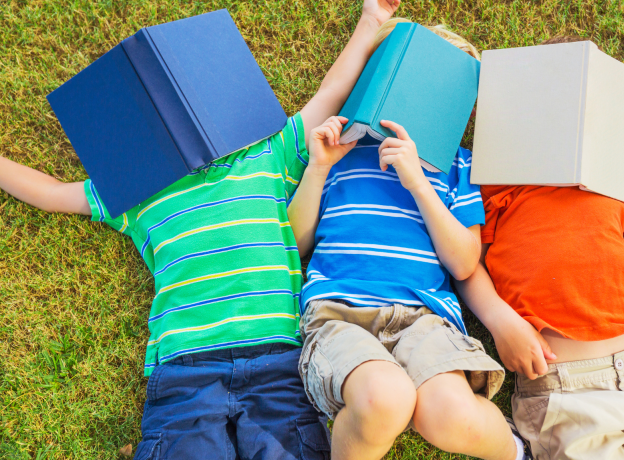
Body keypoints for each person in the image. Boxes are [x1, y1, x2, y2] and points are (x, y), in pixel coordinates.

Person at [0, 1, 401, 458]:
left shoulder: (268, 155)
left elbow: (331, 93)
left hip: (278, 362)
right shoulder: (135, 188)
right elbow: (51, 192)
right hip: (184, 371)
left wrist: (370, 22)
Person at [287, 18, 531, 460]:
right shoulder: (339, 149)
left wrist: (419, 182)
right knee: (385, 399)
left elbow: (463, 262)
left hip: (425, 321)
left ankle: (516, 450)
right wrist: (319, 167)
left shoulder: (458, 167)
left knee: (454, 415)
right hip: (340, 315)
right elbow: (293, 246)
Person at [457, 35, 624, 460]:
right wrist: (500, 322)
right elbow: (464, 263)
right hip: (565, 393)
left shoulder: (614, 179)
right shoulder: (493, 177)